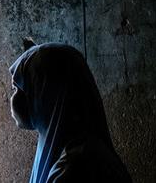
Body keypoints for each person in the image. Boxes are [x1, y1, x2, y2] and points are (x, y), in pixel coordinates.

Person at [9, 43, 132, 183]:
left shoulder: (75, 167)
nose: (13, 98)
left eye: (18, 88)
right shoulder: (80, 150)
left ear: (45, 94)